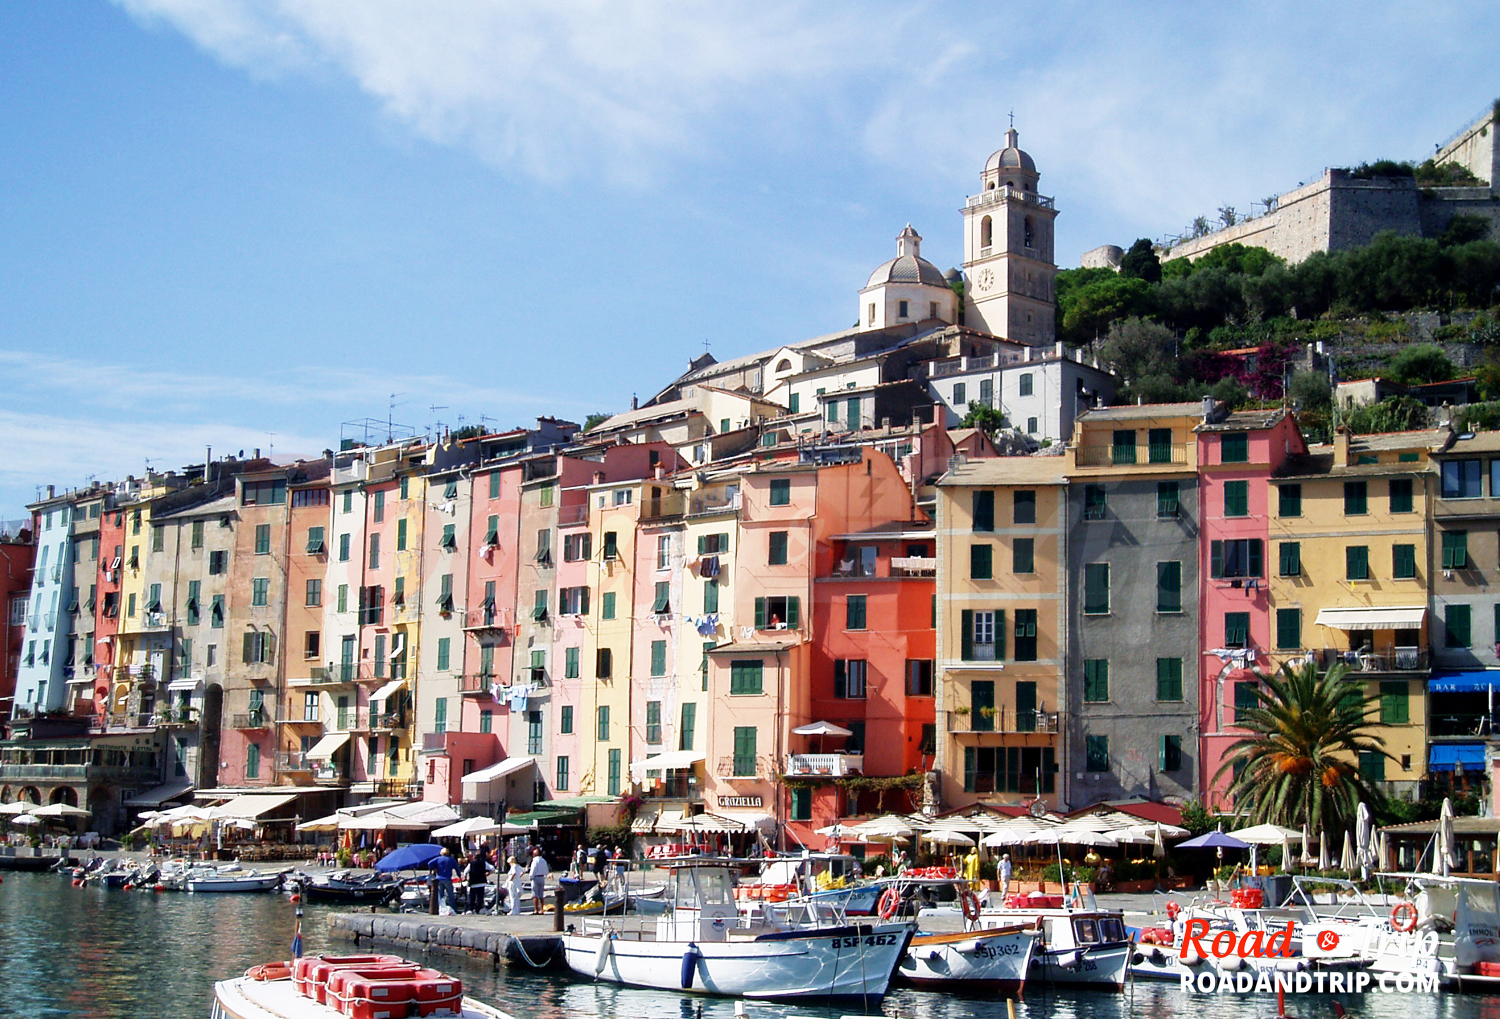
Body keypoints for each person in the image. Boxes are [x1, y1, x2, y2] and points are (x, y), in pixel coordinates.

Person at [466, 849, 494, 913]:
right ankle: (478, 909)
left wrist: (466, 877)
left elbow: (465, 871)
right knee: (480, 897)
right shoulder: (484, 863)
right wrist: (488, 873)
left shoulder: (471, 864)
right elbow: (492, 868)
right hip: (482, 882)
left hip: (473, 882)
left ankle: (471, 909)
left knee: (472, 896)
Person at [429, 846, 457, 911]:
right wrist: (459, 876)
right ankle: (453, 908)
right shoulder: (451, 859)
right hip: (447, 878)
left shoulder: (438, 859)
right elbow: (457, 868)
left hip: (439, 878)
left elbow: (429, 863)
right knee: (450, 894)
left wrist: (434, 868)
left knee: (441, 894)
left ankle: (441, 907)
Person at [529, 846, 551, 914]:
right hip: (542, 877)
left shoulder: (535, 860)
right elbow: (546, 870)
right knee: (541, 894)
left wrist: (531, 877)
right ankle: (542, 909)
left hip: (536, 877)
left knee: (535, 894)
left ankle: (536, 909)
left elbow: (533, 870)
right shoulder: (543, 860)